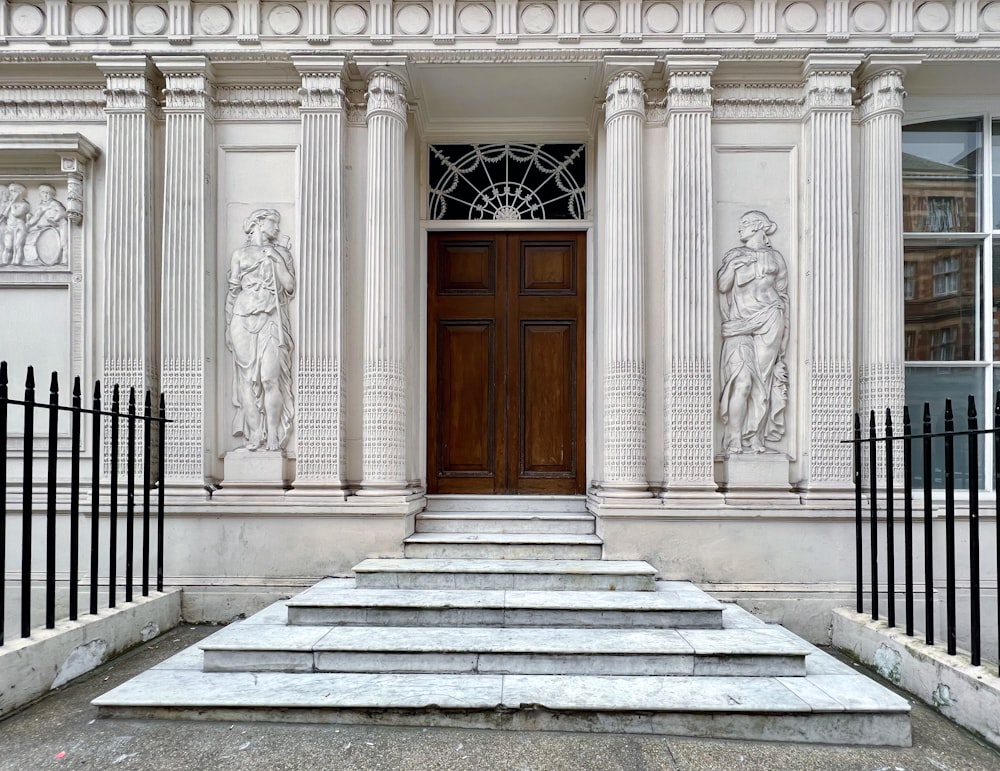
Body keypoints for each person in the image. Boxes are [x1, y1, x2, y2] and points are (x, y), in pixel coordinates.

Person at [717, 210, 789, 455]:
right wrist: (733, 267)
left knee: (764, 382)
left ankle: (755, 437)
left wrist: (784, 335)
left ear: (759, 226)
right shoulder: (735, 255)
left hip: (770, 318)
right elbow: (723, 286)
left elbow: (782, 294)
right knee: (743, 380)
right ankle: (735, 438)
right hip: (739, 324)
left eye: (745, 223)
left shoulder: (776, 258)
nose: (740, 229)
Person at [225, 208, 296, 451]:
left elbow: (289, 286)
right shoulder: (239, 255)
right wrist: (227, 326)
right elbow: (233, 292)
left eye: (278, 224)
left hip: (271, 318)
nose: (276, 228)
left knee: (269, 378)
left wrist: (276, 258)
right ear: (258, 223)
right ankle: (255, 434)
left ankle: (274, 433)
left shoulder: (281, 253)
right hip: (241, 319)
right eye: (272, 223)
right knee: (246, 380)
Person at [1, 183, 31, 266]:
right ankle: (5, 262)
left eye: (14, 191)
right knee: (8, 246)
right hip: (10, 226)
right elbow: (3, 215)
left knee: (18, 245)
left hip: (19, 226)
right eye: (10, 191)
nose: (11, 194)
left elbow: (16, 214)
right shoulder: (8, 205)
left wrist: (12, 204)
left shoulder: (25, 205)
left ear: (19, 193)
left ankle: (17, 262)